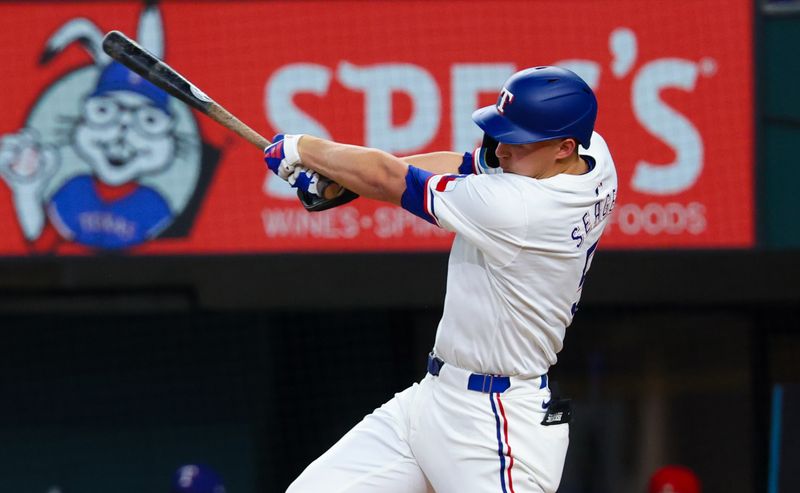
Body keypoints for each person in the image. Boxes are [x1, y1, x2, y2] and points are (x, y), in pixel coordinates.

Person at [264, 66, 618, 493]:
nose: (503, 150)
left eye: (519, 142)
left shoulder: (521, 210)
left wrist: (304, 148)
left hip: (497, 426)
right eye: (504, 134)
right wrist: (345, 182)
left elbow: (390, 179)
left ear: (563, 147)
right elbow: (465, 165)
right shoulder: (592, 155)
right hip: (432, 398)